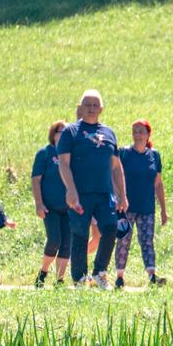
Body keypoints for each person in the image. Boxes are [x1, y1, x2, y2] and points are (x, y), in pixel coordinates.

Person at [56, 90, 128, 287]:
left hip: (105, 194)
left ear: (101, 109)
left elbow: (116, 166)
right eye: (87, 104)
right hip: (80, 194)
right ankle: (79, 278)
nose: (91, 108)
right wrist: (70, 189)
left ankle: (99, 273)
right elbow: (63, 163)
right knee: (80, 234)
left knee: (111, 229)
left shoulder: (109, 133)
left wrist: (123, 194)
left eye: (95, 105)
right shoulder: (70, 132)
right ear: (80, 107)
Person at [113, 120, 167, 289]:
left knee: (147, 241)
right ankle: (119, 277)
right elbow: (113, 176)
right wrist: (118, 198)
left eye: (141, 131)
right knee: (123, 241)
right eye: (135, 131)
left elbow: (158, 183)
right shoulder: (123, 153)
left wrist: (163, 210)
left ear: (148, 134)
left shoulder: (154, 156)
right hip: (126, 207)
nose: (138, 135)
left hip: (147, 207)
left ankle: (152, 276)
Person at [31, 119, 73, 287]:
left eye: (66, 132)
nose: (63, 135)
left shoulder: (71, 155)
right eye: (60, 132)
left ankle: (60, 280)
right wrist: (39, 204)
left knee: (66, 244)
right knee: (54, 240)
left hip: (69, 207)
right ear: (53, 134)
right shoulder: (45, 153)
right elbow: (36, 180)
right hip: (50, 207)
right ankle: (43, 272)